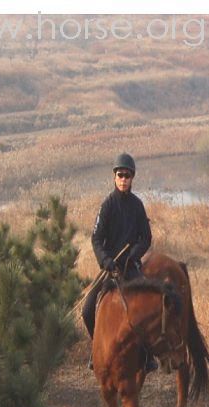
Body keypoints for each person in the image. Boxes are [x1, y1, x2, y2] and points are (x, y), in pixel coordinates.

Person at [83, 152, 155, 372]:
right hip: (110, 269)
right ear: (114, 177)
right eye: (120, 175)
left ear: (132, 178)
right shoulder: (107, 206)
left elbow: (146, 237)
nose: (123, 179)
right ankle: (97, 350)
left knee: (148, 308)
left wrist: (134, 255)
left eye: (127, 175)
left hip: (130, 268)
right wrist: (105, 260)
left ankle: (147, 356)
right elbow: (96, 238)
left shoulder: (138, 206)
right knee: (87, 310)